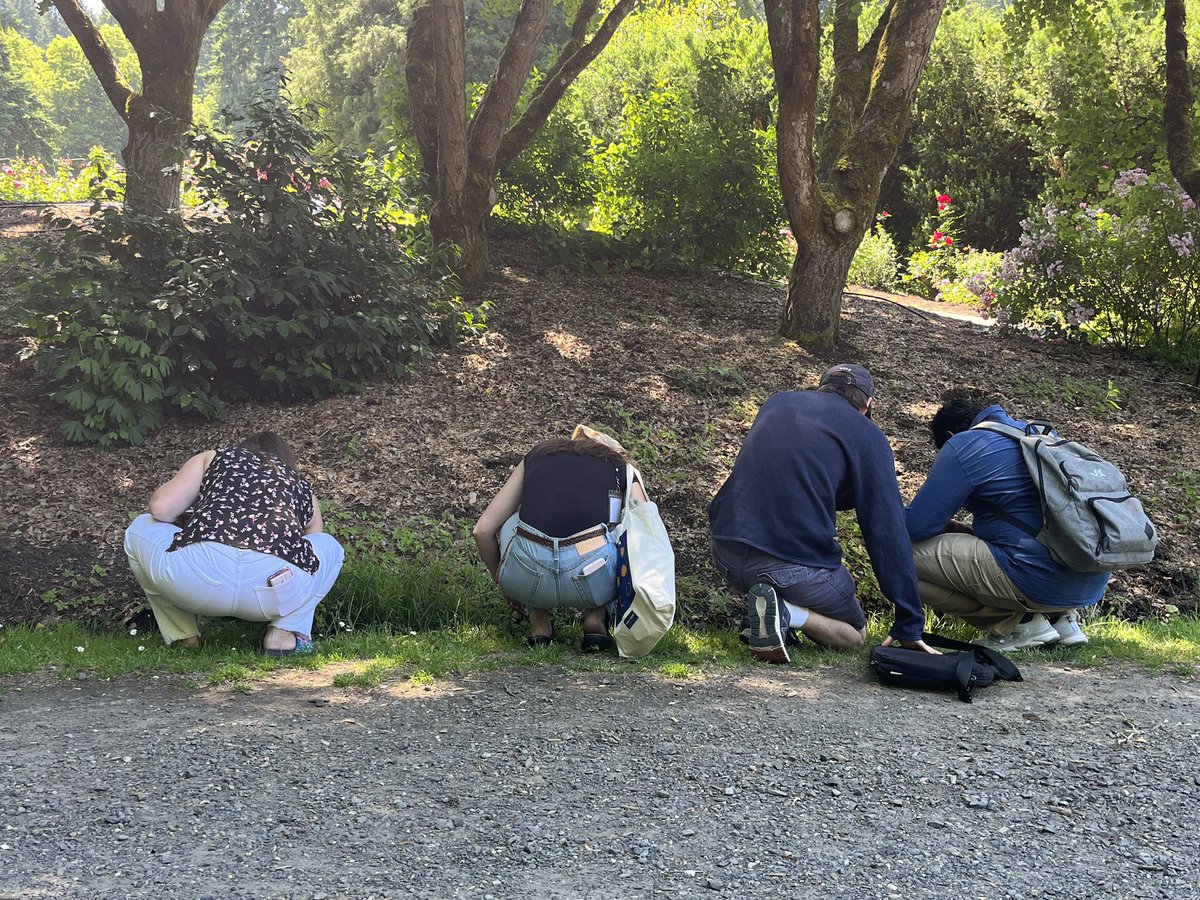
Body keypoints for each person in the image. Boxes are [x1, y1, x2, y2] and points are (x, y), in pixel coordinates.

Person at [708, 364, 933, 663]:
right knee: (856, 633)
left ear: (822, 387)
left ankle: (770, 617)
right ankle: (788, 614)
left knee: (773, 566)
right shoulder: (867, 434)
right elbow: (887, 531)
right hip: (790, 569)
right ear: (867, 405)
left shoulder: (778, 402)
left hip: (725, 551)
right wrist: (909, 621)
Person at [905, 390, 1110, 650]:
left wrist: (880, 509)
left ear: (949, 436)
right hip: (1088, 577)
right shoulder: (1040, 435)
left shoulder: (966, 443)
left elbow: (916, 527)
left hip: (1037, 579)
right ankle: (1063, 621)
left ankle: (1018, 624)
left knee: (896, 556)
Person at [124, 431, 344, 655]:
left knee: (141, 526)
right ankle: (284, 634)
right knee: (330, 547)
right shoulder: (300, 485)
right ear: (285, 458)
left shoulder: (214, 458)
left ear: (242, 448)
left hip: (196, 577)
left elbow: (161, 509)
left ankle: (184, 637)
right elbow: (310, 558)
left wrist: (191, 517)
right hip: (273, 590)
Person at [472, 426, 649, 651]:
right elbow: (646, 529)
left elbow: (482, 530)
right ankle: (596, 615)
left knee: (513, 521)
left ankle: (539, 622)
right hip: (594, 575)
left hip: (527, 577)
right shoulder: (620, 466)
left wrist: (505, 581)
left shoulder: (538, 455)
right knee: (618, 529)